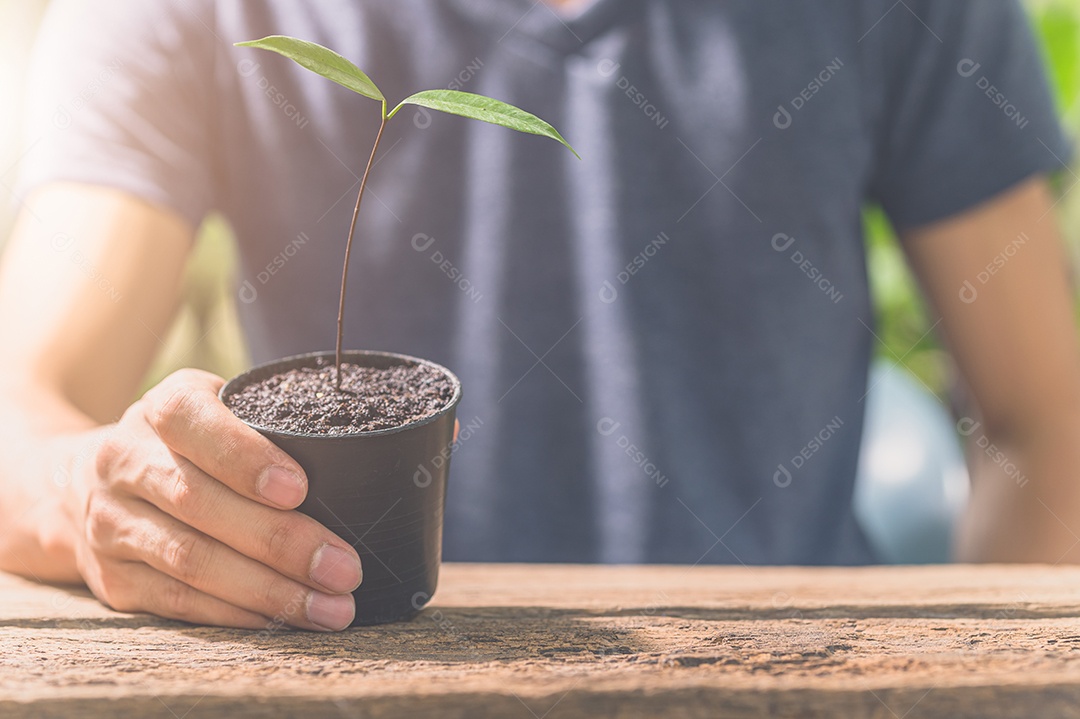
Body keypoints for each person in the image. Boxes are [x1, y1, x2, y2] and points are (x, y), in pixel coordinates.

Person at [1, 0, 1077, 632]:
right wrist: (99, 496)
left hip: (796, 665)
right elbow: (21, 414)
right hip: (357, 660)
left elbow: (1050, 424)